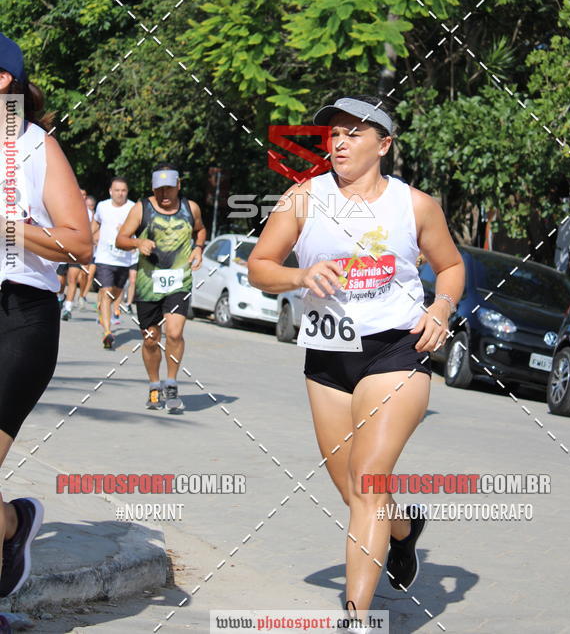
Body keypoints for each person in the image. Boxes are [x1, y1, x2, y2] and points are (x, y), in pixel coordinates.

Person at [248, 95, 464, 628]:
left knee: (368, 482)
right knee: (352, 488)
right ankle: (402, 530)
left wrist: (441, 305)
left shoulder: (415, 205)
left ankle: (356, 619)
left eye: (354, 134)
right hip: (328, 353)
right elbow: (258, 266)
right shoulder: (303, 198)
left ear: (383, 145)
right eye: (333, 134)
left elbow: (452, 265)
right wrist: (299, 277)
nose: (339, 142)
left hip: (397, 349)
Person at [0, 34, 92, 601]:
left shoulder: (35, 146)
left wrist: (9, 226)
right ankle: (13, 525)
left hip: (19, 318)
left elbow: (79, 243)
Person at [116, 164, 205, 411]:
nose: (164, 195)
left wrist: (198, 248)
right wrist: (138, 242)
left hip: (179, 279)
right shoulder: (141, 208)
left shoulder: (191, 208)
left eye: (169, 189)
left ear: (179, 185)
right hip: (148, 282)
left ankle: (172, 382)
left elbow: (200, 230)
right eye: (159, 190)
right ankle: (155, 385)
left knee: (175, 333)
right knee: (151, 339)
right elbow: (120, 239)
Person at [91, 178, 135, 349]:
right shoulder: (102, 206)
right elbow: (96, 222)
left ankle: (103, 309)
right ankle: (107, 332)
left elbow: (138, 228)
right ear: (110, 191)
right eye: (117, 190)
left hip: (124, 258)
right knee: (107, 290)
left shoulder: (132, 208)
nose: (120, 193)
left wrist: (127, 231)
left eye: (123, 190)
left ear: (127, 192)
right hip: (104, 257)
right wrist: (88, 236)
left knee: (116, 293)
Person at [60, 188, 90, 320]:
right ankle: (61, 297)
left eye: (84, 195)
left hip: (76, 250)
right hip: (61, 248)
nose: (82, 197)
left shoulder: (88, 213)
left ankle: (68, 308)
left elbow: (90, 231)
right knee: (60, 281)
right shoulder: (64, 207)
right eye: (80, 194)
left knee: (72, 279)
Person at [78, 194, 97, 307]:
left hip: (95, 251)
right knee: (83, 274)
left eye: (91, 206)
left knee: (90, 275)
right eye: (87, 205)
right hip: (84, 249)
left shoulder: (96, 217)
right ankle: (81, 294)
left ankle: (83, 296)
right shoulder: (81, 214)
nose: (89, 207)